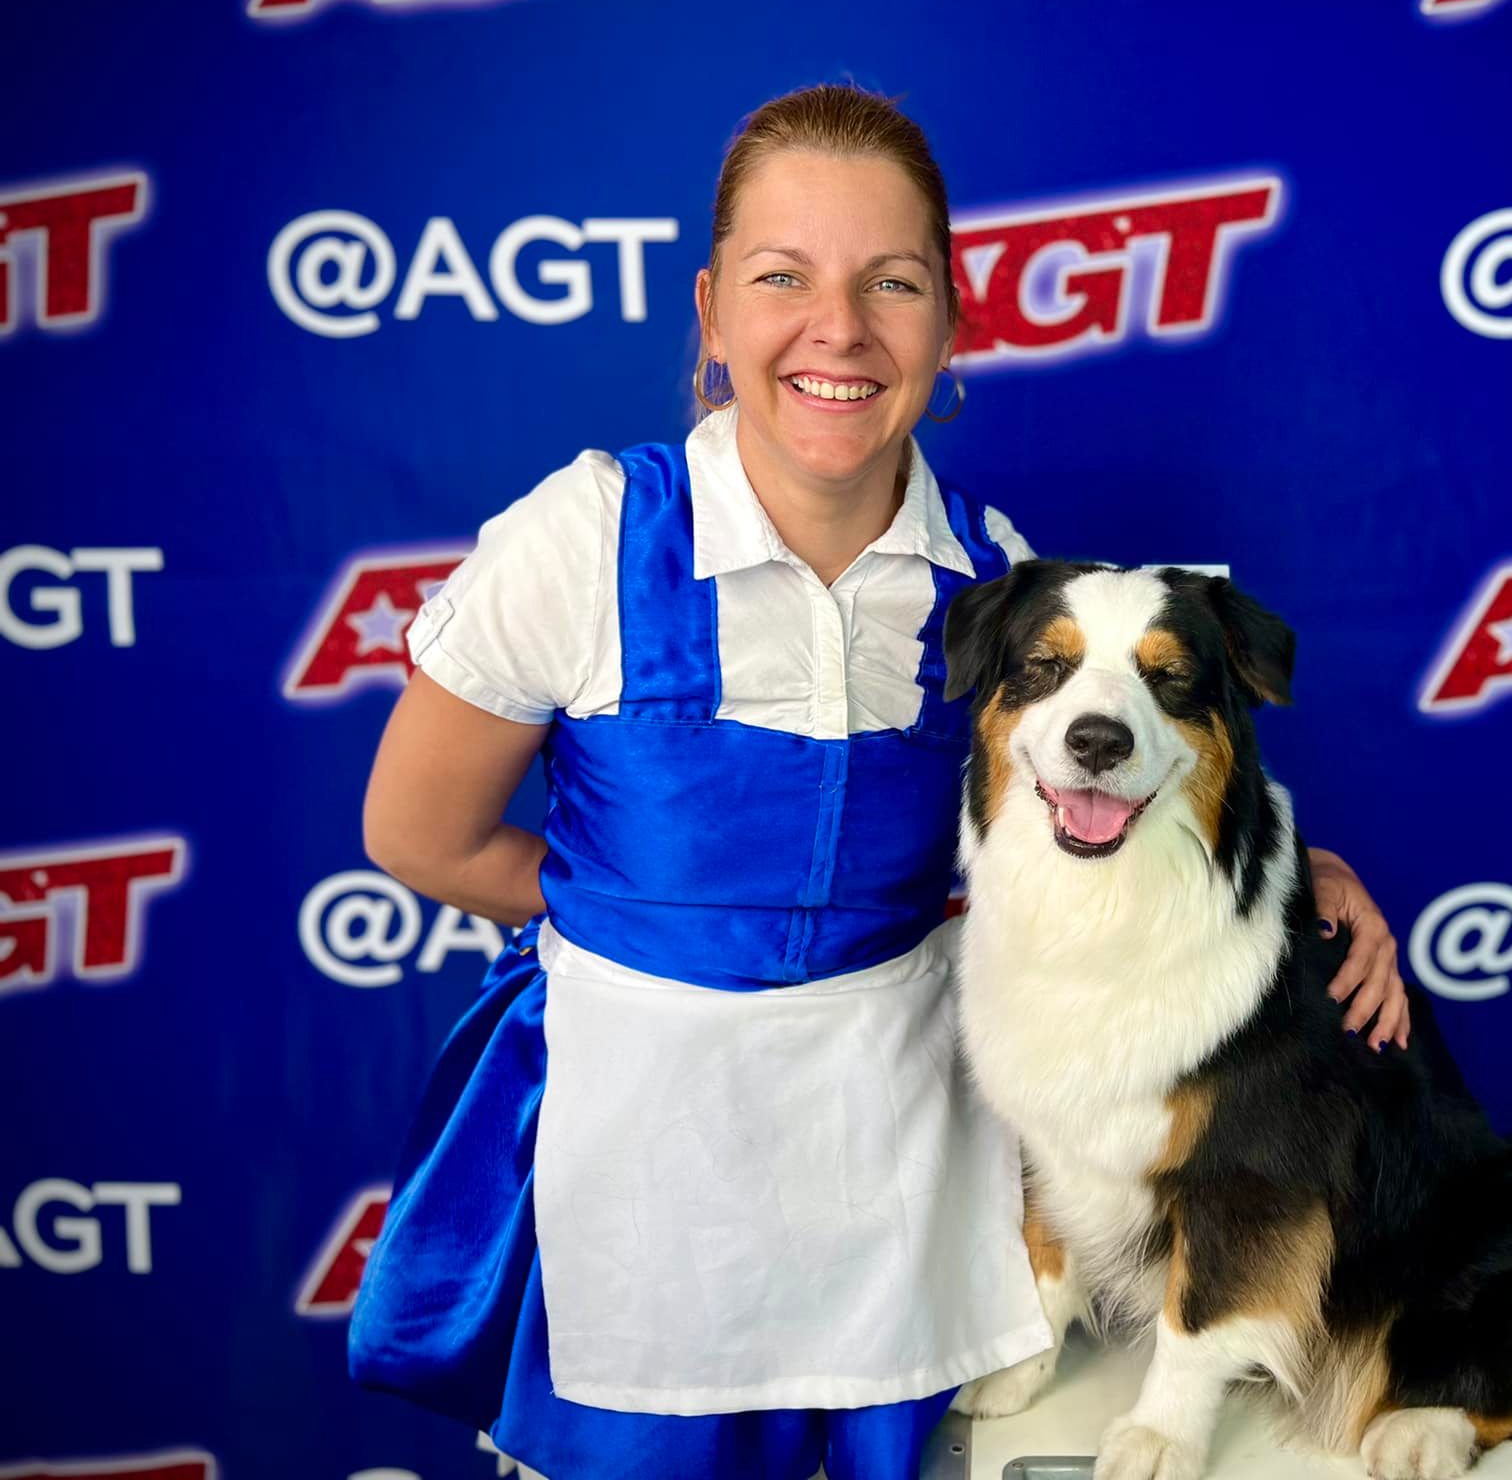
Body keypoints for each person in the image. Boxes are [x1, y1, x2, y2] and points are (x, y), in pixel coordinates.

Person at [347, 84, 1411, 1480]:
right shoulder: (586, 538)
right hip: (643, 1148)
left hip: (900, 1160)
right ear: (711, 311)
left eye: (892, 282)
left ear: (949, 322)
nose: (838, 328)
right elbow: (419, 835)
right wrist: (644, 935)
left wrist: (1290, 879)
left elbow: (1081, 821)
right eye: (782, 277)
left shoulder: (997, 576)